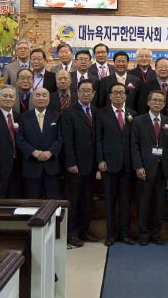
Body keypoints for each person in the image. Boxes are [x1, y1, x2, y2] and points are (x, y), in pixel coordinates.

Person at [95, 82, 137, 246]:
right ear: (110, 95)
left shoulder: (133, 114)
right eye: (115, 92)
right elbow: (98, 139)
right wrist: (100, 159)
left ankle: (125, 234)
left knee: (125, 201)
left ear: (126, 96)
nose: (118, 95)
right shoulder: (101, 114)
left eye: (122, 92)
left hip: (127, 165)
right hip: (108, 164)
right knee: (110, 201)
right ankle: (111, 235)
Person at [61, 79, 99, 247]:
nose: (85, 93)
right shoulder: (69, 112)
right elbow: (67, 140)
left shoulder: (96, 111)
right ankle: (71, 233)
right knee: (73, 201)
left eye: (88, 91)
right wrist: (71, 163)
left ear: (93, 94)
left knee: (87, 200)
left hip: (92, 165)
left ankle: (84, 231)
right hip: (75, 166)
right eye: (82, 90)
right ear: (77, 92)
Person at [131, 90, 168, 246]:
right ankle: (143, 234)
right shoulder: (138, 121)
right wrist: (138, 166)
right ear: (148, 102)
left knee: (159, 204)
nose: (157, 103)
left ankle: (156, 233)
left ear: (164, 104)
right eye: (154, 100)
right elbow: (134, 145)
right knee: (144, 203)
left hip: (162, 169)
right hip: (145, 169)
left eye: (161, 100)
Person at [15, 87, 62, 199]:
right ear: (32, 98)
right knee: (32, 201)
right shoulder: (23, 117)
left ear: (49, 98)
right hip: (31, 166)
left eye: (44, 95)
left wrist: (50, 152)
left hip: (51, 166)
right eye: (38, 95)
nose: (41, 98)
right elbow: (20, 139)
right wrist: (33, 152)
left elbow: (60, 137)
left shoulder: (57, 116)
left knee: (52, 201)